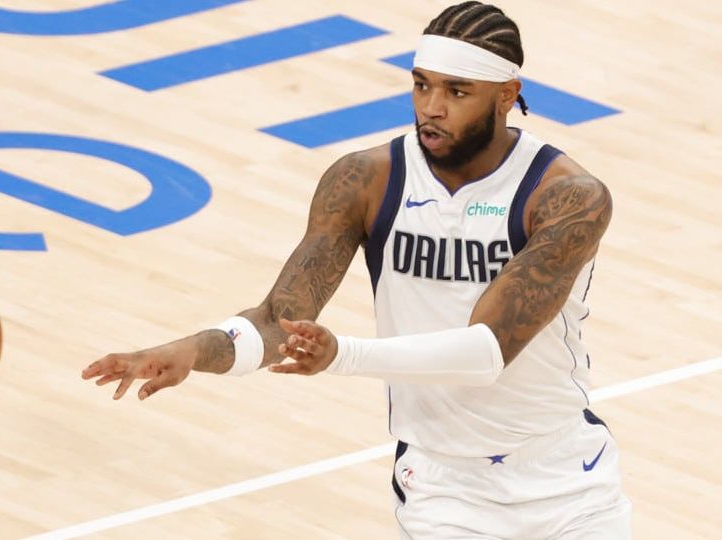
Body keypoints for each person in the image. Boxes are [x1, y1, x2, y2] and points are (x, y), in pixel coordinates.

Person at [82, 2, 632, 538]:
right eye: (421, 85)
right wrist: (191, 351)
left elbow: (485, 352)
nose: (432, 107)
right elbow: (279, 323)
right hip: (446, 491)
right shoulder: (365, 180)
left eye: (457, 92)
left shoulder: (567, 196)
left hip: (568, 481)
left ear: (507, 95)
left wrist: (341, 355)